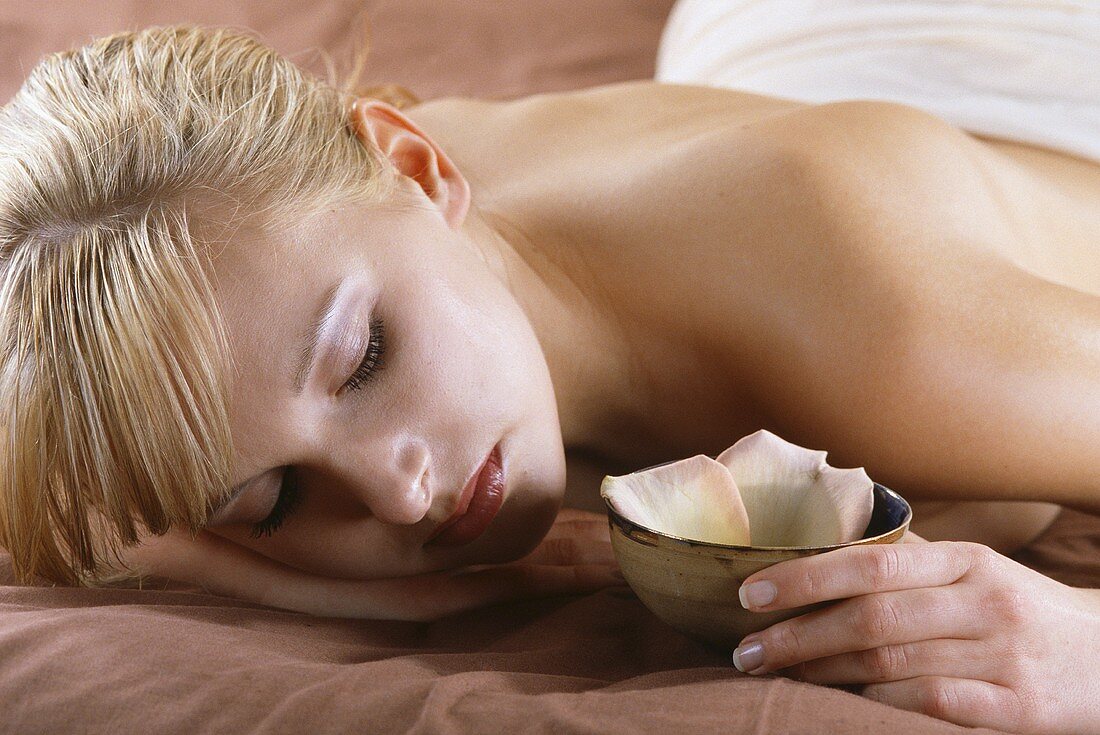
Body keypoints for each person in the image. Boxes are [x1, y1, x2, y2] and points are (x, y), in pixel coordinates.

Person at [0, 25, 1097, 734]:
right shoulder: (272, 219)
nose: (397, 497)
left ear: (419, 169)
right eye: (271, 500)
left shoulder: (896, 342)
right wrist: (282, 573)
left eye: (365, 359)